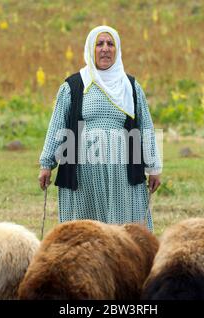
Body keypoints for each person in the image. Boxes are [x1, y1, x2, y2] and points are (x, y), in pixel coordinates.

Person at [38, 25, 162, 231]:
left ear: (117, 49)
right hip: (83, 168)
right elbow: (56, 126)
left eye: (110, 44)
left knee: (123, 230)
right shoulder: (74, 85)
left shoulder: (130, 86)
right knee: (86, 230)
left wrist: (154, 168)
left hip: (122, 169)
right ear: (90, 49)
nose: (105, 49)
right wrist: (46, 164)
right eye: (99, 44)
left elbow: (146, 126)